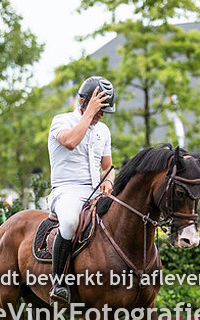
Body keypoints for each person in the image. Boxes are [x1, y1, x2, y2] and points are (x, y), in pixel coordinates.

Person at [47, 76, 116, 306]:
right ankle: (59, 283)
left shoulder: (103, 131)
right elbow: (69, 142)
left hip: (96, 192)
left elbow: (107, 167)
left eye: (104, 111)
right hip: (66, 191)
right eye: (99, 109)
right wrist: (89, 113)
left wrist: (109, 182)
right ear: (84, 101)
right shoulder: (61, 121)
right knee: (69, 222)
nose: (101, 115)